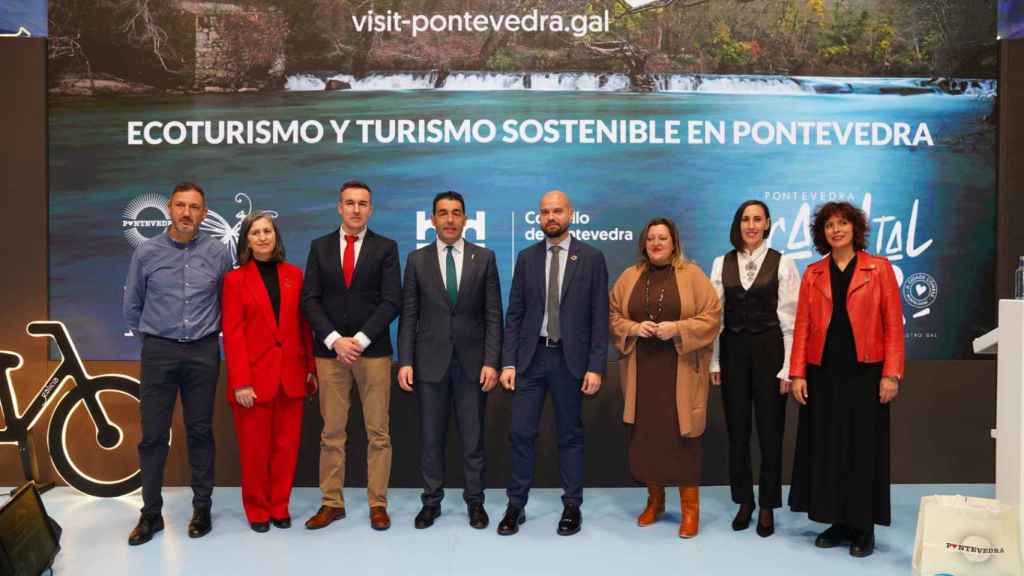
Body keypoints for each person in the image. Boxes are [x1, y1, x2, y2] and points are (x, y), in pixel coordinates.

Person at [789, 201, 904, 558]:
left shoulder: (879, 269)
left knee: (862, 451)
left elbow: (893, 327)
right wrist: (797, 373)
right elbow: (803, 327)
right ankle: (837, 521)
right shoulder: (813, 273)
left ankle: (863, 527)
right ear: (821, 234)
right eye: (828, 225)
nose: (835, 230)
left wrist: (891, 374)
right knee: (828, 449)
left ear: (855, 229)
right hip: (823, 375)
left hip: (865, 374)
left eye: (842, 223)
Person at [123, 182, 233, 546]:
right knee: (153, 436)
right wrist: (156, 342)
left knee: (200, 431)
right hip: (159, 352)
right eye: (181, 206)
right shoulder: (147, 253)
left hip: (202, 353)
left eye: (195, 207)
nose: (187, 213)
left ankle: (202, 508)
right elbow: (132, 306)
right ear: (169, 209)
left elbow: (226, 305)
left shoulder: (218, 253)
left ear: (204, 213)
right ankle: (150, 514)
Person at [497, 190, 609, 537]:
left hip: (570, 361)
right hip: (531, 360)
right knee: (520, 433)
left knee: (570, 435)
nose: (551, 217)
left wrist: (596, 366)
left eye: (557, 211)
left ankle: (572, 506)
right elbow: (514, 315)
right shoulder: (527, 258)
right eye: (545, 212)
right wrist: (509, 363)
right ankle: (516, 505)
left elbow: (599, 318)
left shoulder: (590, 258)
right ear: (539, 217)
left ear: (570, 214)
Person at [609, 217, 721, 539]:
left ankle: (690, 510)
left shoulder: (692, 275)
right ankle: (655, 502)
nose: (656, 243)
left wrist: (678, 329)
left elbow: (712, 317)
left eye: (663, 238)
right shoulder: (630, 277)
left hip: (680, 371)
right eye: (651, 239)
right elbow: (613, 315)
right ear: (644, 244)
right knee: (647, 439)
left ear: (674, 243)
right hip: (643, 374)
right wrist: (632, 328)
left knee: (683, 441)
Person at [397, 191, 502, 530]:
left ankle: (475, 502)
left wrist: (491, 362)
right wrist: (406, 361)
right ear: (432, 220)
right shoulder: (416, 260)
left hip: (473, 365)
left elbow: (493, 316)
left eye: (456, 213)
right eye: (443, 213)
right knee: (431, 439)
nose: (450, 219)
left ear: (466, 219)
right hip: (429, 363)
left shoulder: (484, 258)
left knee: (473, 440)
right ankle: (431, 502)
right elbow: (409, 314)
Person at [300, 180, 401, 531]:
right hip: (330, 356)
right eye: (349, 203)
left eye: (363, 203)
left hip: (372, 353)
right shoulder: (319, 247)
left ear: (370, 209)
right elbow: (309, 299)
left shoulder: (386, 248)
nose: (356, 209)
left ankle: (378, 503)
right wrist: (333, 340)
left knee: (379, 433)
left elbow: (392, 301)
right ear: (339, 207)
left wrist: (357, 339)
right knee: (332, 433)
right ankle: (332, 502)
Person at [221, 211, 317, 533]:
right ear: (245, 239)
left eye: (268, 231)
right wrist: (241, 382)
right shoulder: (234, 280)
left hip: (291, 377)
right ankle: (257, 509)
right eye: (255, 232)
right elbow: (232, 334)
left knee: (286, 449)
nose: (262, 237)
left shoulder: (294, 275)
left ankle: (279, 505)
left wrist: (309, 370)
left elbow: (304, 327)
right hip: (253, 381)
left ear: (276, 236)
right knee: (255, 452)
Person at [708, 200, 800, 537]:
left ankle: (767, 506)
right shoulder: (721, 263)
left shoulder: (783, 262)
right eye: (745, 219)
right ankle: (744, 501)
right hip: (732, 353)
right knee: (738, 433)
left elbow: (791, 320)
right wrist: (715, 360)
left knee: (770, 433)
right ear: (738, 223)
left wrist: (788, 368)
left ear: (767, 224)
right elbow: (714, 318)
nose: (750, 225)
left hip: (770, 353)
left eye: (757, 219)